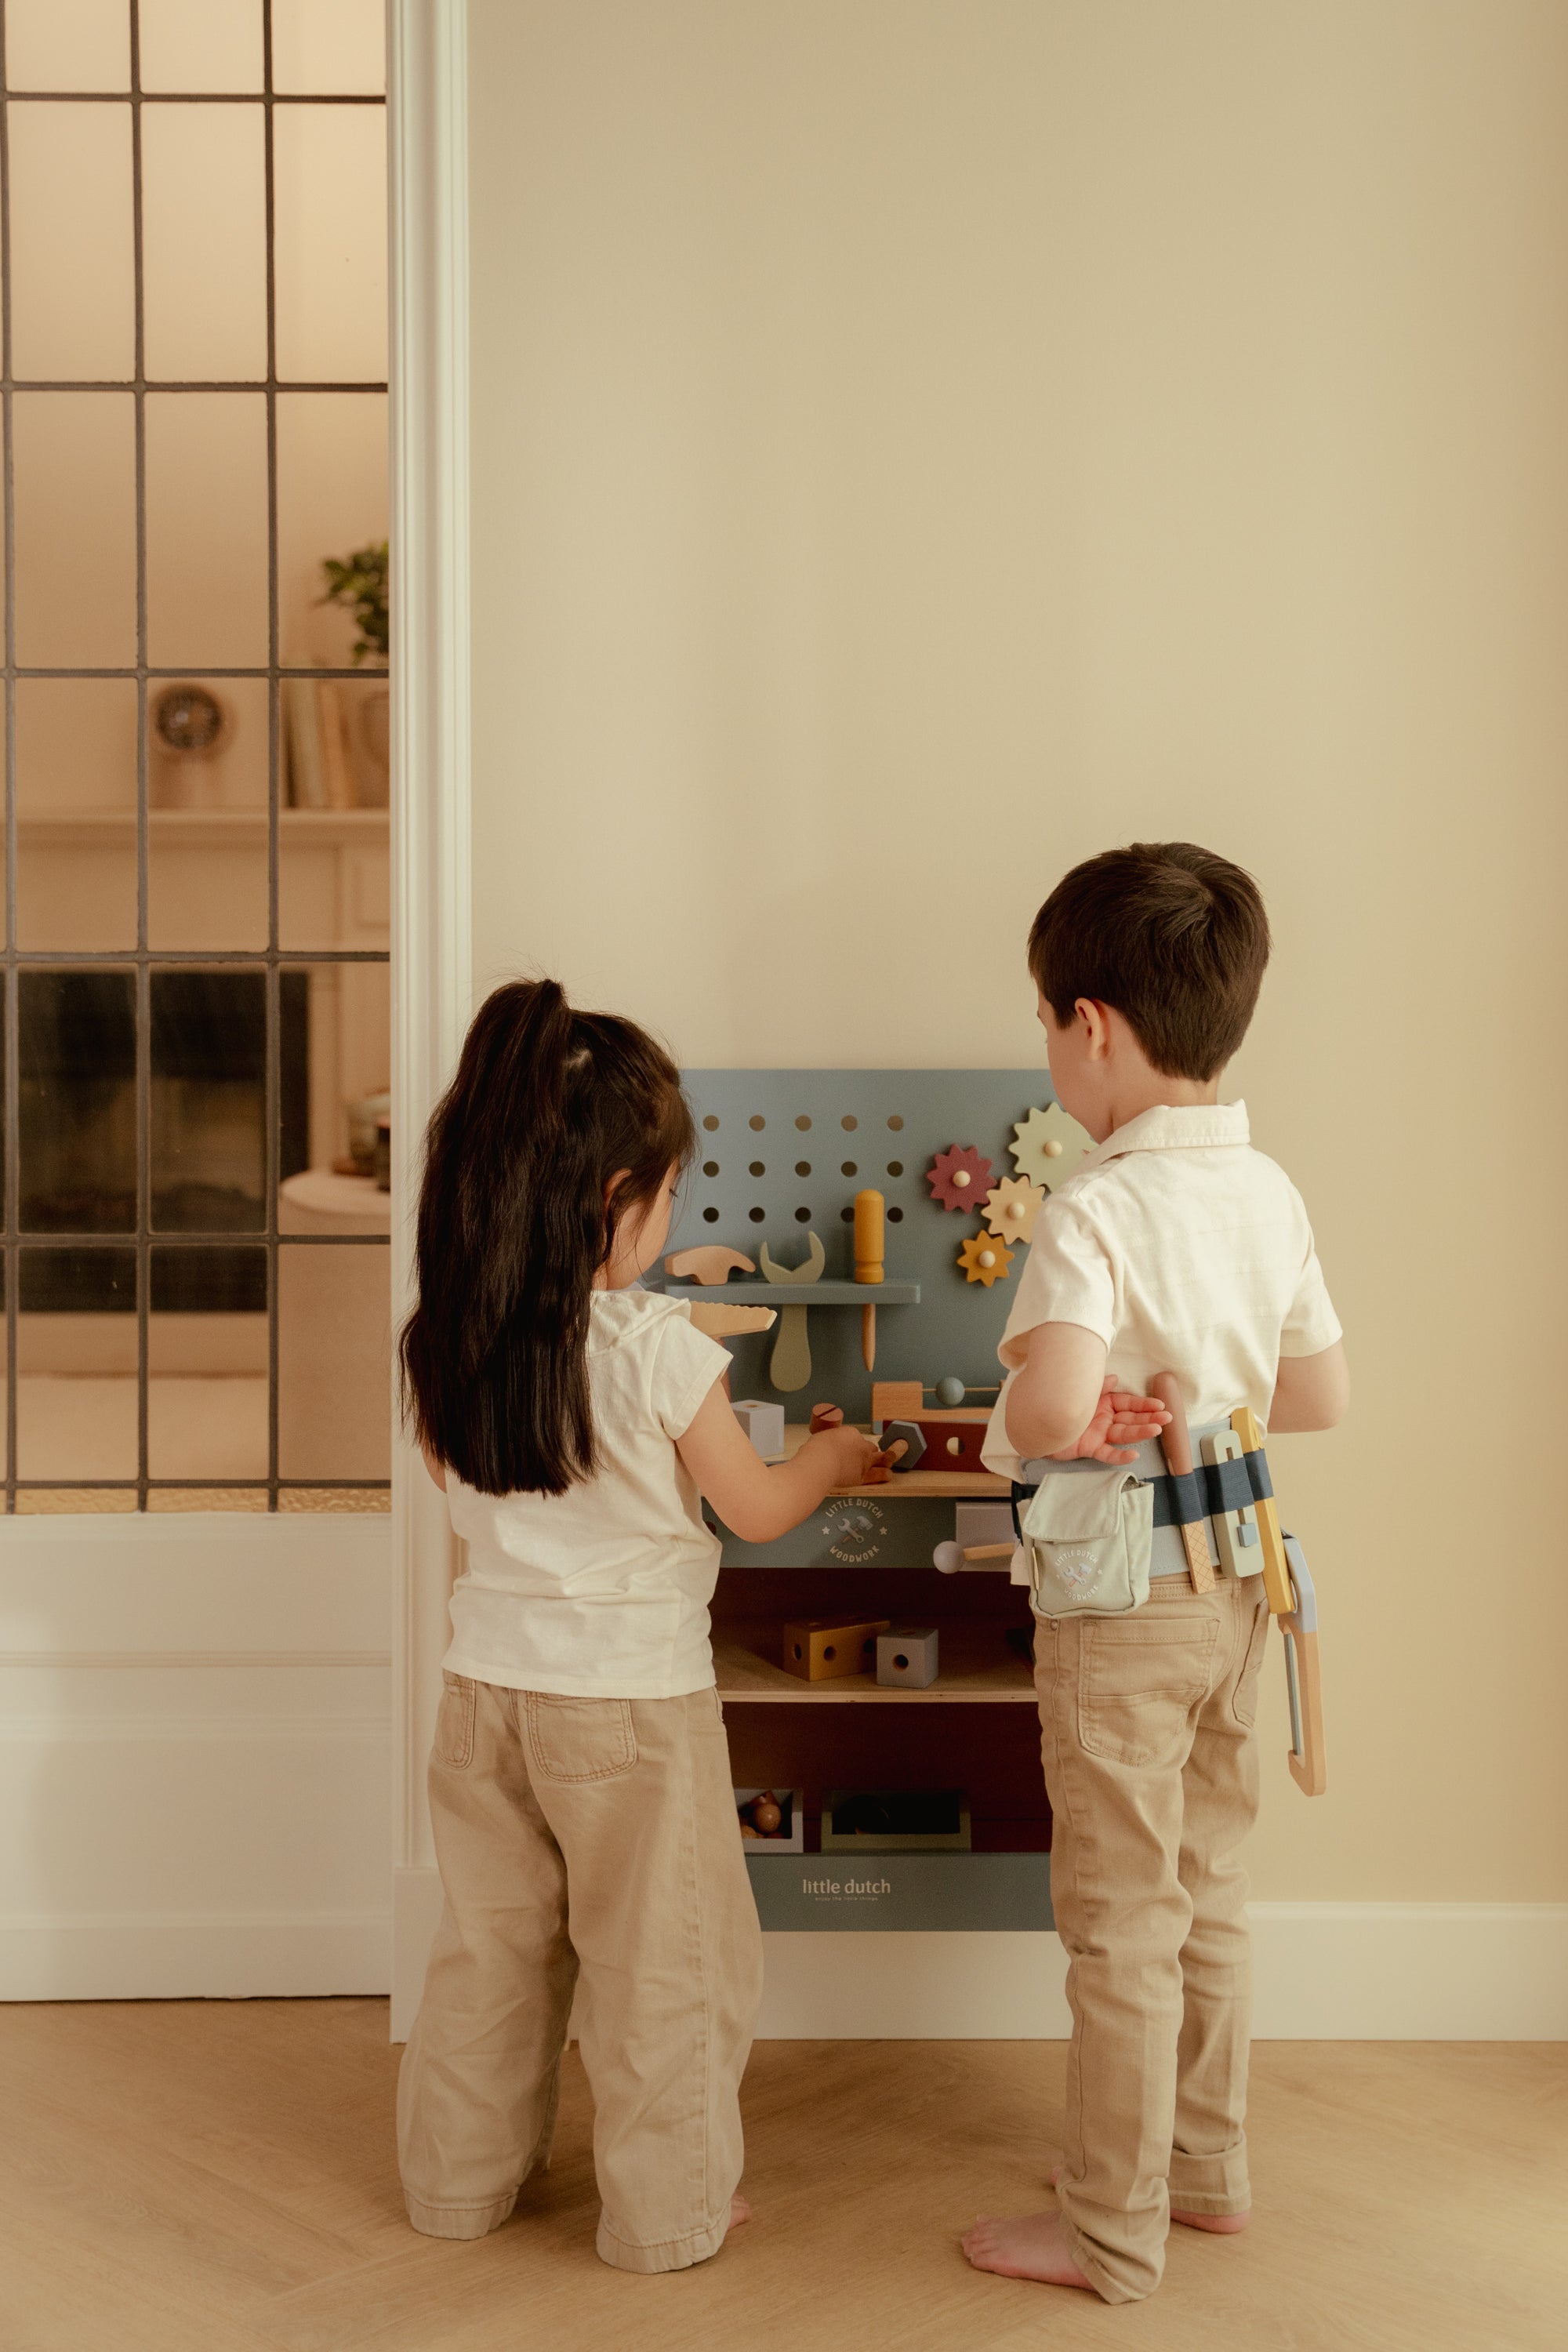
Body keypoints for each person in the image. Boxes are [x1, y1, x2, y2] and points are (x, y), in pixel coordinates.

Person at [396, 978, 880, 2274]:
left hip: (480, 1701)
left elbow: (464, 1494)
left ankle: (458, 2187)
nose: (674, 1225)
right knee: (664, 1967)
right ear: (616, 1199)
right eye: (669, 1197)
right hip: (629, 1713)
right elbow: (761, 1507)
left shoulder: (448, 1338)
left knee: (492, 1959)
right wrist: (839, 1463)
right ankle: (666, 2219)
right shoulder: (660, 1351)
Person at [962, 843, 1348, 2303]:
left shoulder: (1094, 1210)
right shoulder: (1268, 1190)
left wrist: (1041, 1415)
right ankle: (1208, 2174)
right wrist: (1199, 1393)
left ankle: (1110, 2233)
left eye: (1047, 1024)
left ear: (1092, 1026)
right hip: (1245, 1584)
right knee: (1211, 1886)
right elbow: (1318, 1398)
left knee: (1120, 1925)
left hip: (1126, 1605)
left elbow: (1053, 1419)